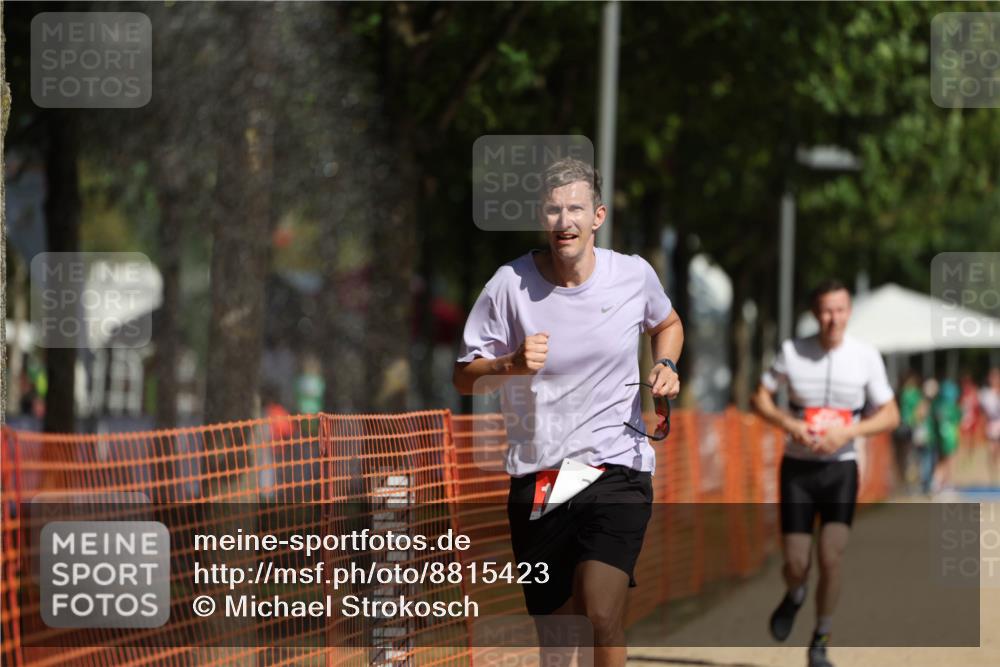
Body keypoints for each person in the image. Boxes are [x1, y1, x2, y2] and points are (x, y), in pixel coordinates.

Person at [453, 157, 683, 667]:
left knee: (600, 611)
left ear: (597, 216)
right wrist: (509, 363)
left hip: (615, 466)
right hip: (541, 475)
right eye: (554, 211)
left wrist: (665, 362)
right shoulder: (509, 285)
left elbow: (667, 322)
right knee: (558, 644)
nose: (565, 221)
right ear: (542, 217)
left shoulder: (632, 275)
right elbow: (463, 376)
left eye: (575, 209)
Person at [751, 280, 899, 667]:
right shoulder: (792, 351)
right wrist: (789, 423)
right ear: (815, 313)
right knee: (796, 563)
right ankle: (795, 592)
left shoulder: (865, 356)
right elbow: (760, 397)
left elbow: (890, 413)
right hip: (798, 468)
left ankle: (820, 638)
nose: (834, 318)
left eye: (840, 310)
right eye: (826, 311)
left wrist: (848, 432)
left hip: (841, 469)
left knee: (831, 557)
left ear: (849, 311)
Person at [980, 368, 1000, 485]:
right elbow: (984, 412)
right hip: (992, 424)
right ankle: (993, 477)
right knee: (992, 450)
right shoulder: (986, 394)